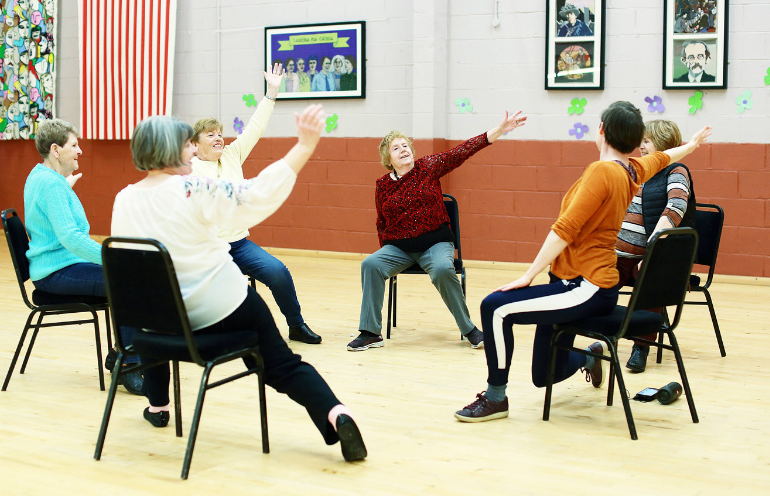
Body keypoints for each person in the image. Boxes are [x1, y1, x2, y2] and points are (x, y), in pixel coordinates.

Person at [110, 107, 367, 462]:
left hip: (160, 325)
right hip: (221, 310)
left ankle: (157, 407)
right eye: (188, 146)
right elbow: (256, 194)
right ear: (172, 151)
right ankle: (335, 413)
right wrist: (304, 146)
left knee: (157, 311)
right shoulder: (193, 188)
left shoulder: (123, 199)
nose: (192, 152)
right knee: (281, 364)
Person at [454, 101, 710, 422]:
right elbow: (663, 157)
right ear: (633, 142)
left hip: (586, 285)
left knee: (495, 307)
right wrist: (691, 145)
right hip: (577, 283)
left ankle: (495, 399)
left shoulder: (602, 172)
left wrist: (528, 275)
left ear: (601, 130)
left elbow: (564, 230)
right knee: (543, 375)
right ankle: (591, 358)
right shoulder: (631, 169)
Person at [347, 111, 528, 352]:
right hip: (399, 248)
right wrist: (387, 255)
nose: (403, 150)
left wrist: (498, 130)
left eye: (405, 145)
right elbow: (381, 222)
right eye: (396, 148)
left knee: (443, 269)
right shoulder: (382, 185)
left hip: (435, 243)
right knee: (370, 264)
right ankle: (370, 332)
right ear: (388, 159)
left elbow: (462, 151)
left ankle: (469, 330)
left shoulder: (427, 167)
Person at [190, 64, 322, 344]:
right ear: (194, 145)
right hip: (207, 249)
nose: (218, 138)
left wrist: (272, 92)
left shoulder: (232, 154)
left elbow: (255, 128)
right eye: (210, 135)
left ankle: (296, 326)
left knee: (278, 272)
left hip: (238, 244)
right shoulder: (186, 168)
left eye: (219, 133)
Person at [23, 119, 143, 394]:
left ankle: (120, 352)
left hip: (57, 264)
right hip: (55, 272)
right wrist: (111, 257)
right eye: (74, 146)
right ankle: (129, 363)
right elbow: (70, 237)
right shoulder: (52, 185)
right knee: (127, 281)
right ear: (55, 150)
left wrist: (66, 187)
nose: (80, 151)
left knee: (129, 278)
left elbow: (51, 215)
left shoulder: (43, 177)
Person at [616, 120, 698, 373]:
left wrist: (650, 252)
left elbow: (676, 207)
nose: (640, 146)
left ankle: (641, 345)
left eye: (646, 141)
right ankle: (594, 335)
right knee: (590, 272)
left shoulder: (676, 171)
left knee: (651, 275)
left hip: (656, 257)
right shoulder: (634, 171)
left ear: (663, 143)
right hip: (620, 255)